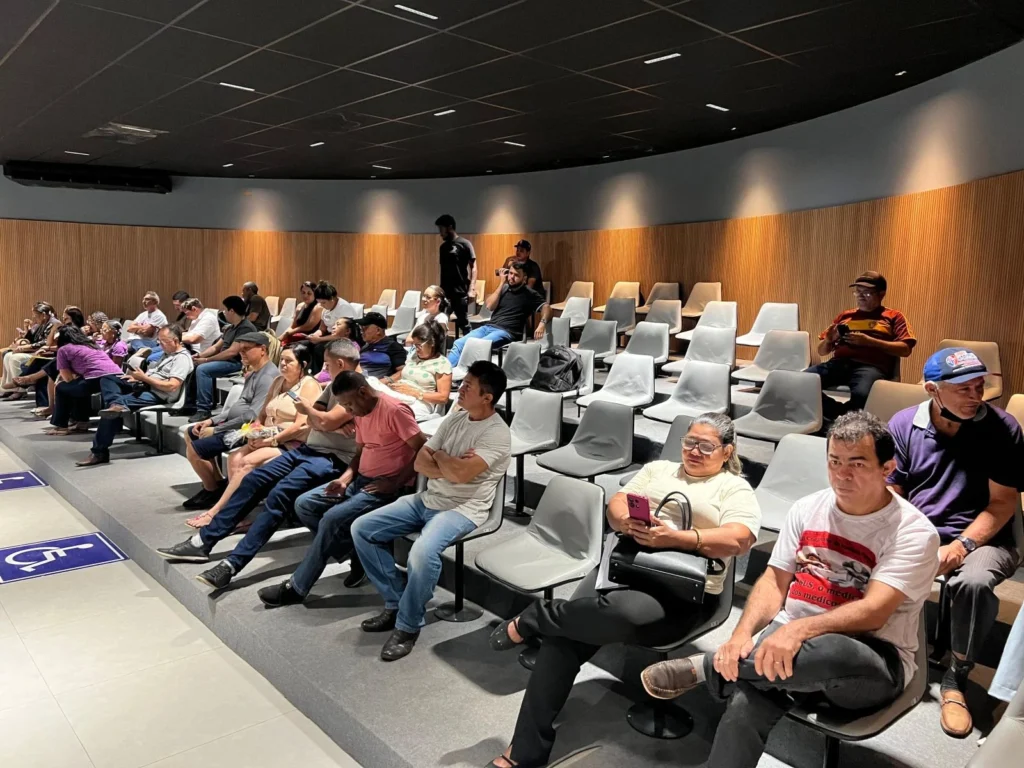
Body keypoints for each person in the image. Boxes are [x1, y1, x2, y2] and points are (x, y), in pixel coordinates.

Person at [637, 411, 939, 768]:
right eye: (835, 461)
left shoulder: (913, 532)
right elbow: (774, 580)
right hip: (785, 646)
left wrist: (799, 630)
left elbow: (874, 612)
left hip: (869, 660)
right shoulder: (807, 508)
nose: (842, 474)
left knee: (826, 650)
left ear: (887, 468)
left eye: (857, 464)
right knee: (747, 699)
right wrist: (741, 635)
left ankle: (709, 667)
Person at [485, 413, 761, 768]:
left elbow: (740, 538)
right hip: (629, 570)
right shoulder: (659, 470)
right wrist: (626, 522)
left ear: (727, 451)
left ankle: (536, 615)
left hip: (683, 592)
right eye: (690, 442)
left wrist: (677, 538)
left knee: (616, 613)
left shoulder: (733, 488)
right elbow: (617, 503)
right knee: (562, 640)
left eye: (706, 446)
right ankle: (524, 753)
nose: (694, 451)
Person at [888, 348, 1024, 738]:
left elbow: (1002, 503)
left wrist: (961, 545)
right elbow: (893, 492)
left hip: (985, 535)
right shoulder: (903, 424)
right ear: (933, 390)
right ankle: (878, 653)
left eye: (979, 386)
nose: (975, 396)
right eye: (964, 388)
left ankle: (956, 676)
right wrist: (909, 538)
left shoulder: (1002, 427)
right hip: (921, 530)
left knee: (974, 583)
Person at [156, 340, 364, 590]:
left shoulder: (359, 387)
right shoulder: (333, 385)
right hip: (308, 449)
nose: (324, 369)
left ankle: (232, 564)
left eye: (328, 365)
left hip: (332, 459)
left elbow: (319, 420)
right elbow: (315, 421)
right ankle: (202, 542)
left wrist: (320, 419)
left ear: (340, 363)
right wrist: (324, 421)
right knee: (253, 479)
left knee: (280, 493)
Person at [352, 360, 511, 662]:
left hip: (463, 508)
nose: (460, 388)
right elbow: (419, 462)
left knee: (422, 553)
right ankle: (397, 601)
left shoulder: (496, 434)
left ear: (487, 397)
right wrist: (446, 462)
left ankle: (408, 625)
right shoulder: (456, 418)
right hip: (429, 498)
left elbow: (461, 475)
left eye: (468, 386)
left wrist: (439, 458)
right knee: (362, 528)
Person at [257, 370, 426, 607]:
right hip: (361, 480)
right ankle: (357, 554)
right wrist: (345, 479)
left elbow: (422, 449)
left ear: (363, 392)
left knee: (331, 519)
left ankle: (297, 587)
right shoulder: (361, 412)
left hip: (386, 486)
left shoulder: (395, 410)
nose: (349, 411)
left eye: (349, 404)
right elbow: (359, 453)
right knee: (304, 504)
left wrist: (395, 482)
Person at [185, 344, 321, 528]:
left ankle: (217, 513)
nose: (283, 364)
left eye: (289, 361)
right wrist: (253, 433)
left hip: (291, 441)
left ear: (303, 364)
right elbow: (262, 414)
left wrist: (272, 440)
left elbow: (301, 425)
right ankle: (239, 515)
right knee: (234, 458)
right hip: (267, 435)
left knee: (246, 462)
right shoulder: (278, 382)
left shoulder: (309, 385)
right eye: (281, 359)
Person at [180, 333, 281, 510]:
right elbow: (237, 406)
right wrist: (211, 421)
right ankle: (217, 485)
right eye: (240, 350)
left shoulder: (267, 377)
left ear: (262, 350)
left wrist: (217, 430)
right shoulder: (254, 372)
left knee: (196, 448)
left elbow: (252, 416)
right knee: (192, 433)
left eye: (246, 349)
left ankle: (212, 491)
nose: (241, 353)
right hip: (237, 424)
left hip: (249, 430)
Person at [76, 325, 194, 467]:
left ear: (175, 341)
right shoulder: (167, 354)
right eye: (159, 340)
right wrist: (137, 378)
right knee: (108, 378)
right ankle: (115, 407)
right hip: (145, 385)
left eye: (163, 341)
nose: (160, 344)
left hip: (158, 394)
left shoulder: (181, 359)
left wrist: (144, 378)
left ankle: (99, 452)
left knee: (112, 410)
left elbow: (171, 386)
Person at [807, 272, 915, 419]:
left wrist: (870, 342)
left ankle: (840, 419)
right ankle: (838, 415)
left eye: (867, 293)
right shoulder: (845, 316)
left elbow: (905, 350)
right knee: (802, 381)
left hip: (870, 367)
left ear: (881, 294)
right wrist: (828, 340)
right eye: (858, 292)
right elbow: (821, 351)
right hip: (838, 364)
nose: (860, 297)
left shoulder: (894, 317)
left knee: (862, 395)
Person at [447, 262, 550, 366]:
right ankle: (446, 372)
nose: (512, 277)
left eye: (516, 275)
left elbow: (547, 308)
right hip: (488, 327)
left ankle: (468, 373)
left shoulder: (530, 294)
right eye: (510, 273)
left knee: (478, 345)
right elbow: (489, 306)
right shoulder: (504, 288)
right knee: (459, 343)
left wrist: (542, 323)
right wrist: (501, 283)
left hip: (507, 331)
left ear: (524, 278)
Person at [44, 325, 123, 436]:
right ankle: (82, 423)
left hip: (96, 378)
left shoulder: (64, 349)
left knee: (62, 388)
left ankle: (61, 426)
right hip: (117, 377)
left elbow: (67, 378)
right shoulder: (92, 345)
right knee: (78, 386)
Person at [189, 296, 257, 422]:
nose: (223, 313)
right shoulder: (230, 328)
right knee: (193, 364)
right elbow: (215, 347)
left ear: (232, 311)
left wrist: (207, 360)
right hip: (225, 360)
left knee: (203, 369)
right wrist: (200, 356)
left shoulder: (245, 328)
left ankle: (204, 409)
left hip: (237, 363)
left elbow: (232, 352)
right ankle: (190, 404)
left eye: (225, 310)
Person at [383, 321, 452, 421]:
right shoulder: (414, 356)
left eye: (419, 345)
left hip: (421, 401)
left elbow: (443, 398)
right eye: (414, 345)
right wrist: (387, 380)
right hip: (400, 393)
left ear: (432, 343)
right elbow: (404, 372)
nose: (416, 349)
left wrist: (414, 392)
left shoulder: (442, 364)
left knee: (392, 413)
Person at [1, 302, 58, 399]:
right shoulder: (42, 323)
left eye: (36, 316)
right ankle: (10, 389)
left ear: (43, 315)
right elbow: (33, 339)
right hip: (35, 350)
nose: (34, 318)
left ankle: (20, 389)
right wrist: (27, 330)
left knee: (15, 358)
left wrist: (27, 347)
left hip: (44, 352)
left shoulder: (53, 323)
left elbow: (45, 342)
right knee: (7, 355)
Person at [436, 214, 477, 336]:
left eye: (441, 229)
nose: (440, 233)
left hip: (460, 292)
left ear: (449, 227)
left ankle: (469, 345)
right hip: (445, 293)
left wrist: (472, 288)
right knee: (440, 321)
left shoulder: (465, 244)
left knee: (464, 324)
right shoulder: (443, 247)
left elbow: (474, 267)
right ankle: (440, 347)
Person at [353, 312, 406, 379]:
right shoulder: (365, 347)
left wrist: (385, 381)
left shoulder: (393, 346)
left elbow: (402, 371)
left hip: (379, 383)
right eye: (361, 329)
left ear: (378, 330)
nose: (361, 332)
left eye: (365, 328)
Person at [315, 318, 362, 384]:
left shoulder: (351, 348)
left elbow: (345, 378)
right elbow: (323, 371)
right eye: (334, 324)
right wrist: (312, 380)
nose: (333, 327)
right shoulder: (333, 346)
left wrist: (320, 385)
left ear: (348, 331)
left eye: (338, 325)